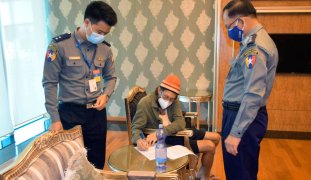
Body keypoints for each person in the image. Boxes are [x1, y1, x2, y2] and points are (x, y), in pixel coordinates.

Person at [42, 1, 117, 169]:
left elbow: (111, 77)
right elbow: (50, 83)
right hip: (69, 114)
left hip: (96, 114)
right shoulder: (59, 46)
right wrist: (55, 119)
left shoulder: (105, 49)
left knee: (96, 162)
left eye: (105, 33)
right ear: (87, 22)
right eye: (99, 31)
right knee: (70, 164)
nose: (102, 36)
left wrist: (106, 94)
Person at [221, 0, 278, 179]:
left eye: (228, 26)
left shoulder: (255, 48)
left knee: (240, 172)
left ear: (241, 22)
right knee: (239, 170)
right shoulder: (250, 42)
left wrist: (236, 133)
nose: (229, 32)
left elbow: (253, 94)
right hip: (241, 114)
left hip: (242, 117)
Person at [131, 74, 221, 180]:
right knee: (210, 146)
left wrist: (161, 132)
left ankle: (201, 173)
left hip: (176, 131)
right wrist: (139, 140)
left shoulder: (174, 100)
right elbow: (135, 128)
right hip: (168, 139)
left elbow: (180, 123)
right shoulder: (145, 103)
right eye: (166, 97)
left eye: (171, 99)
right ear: (159, 90)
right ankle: (204, 177)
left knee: (216, 137)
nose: (168, 101)